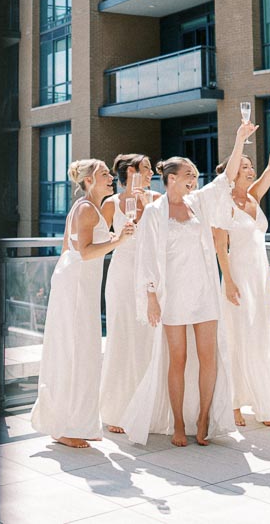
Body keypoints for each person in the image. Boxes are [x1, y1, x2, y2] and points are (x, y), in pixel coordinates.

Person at [119, 121, 257, 447]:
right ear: (171, 179)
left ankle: (204, 416)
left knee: (209, 357)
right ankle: (178, 422)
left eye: (196, 175)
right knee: (177, 360)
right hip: (174, 294)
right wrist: (151, 297)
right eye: (189, 175)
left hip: (204, 290)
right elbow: (148, 257)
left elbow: (224, 179)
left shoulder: (200, 204)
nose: (194, 179)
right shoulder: (155, 212)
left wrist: (238, 139)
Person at [30, 159, 135, 448]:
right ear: (89, 180)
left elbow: (68, 248)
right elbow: (85, 252)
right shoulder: (88, 209)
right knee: (77, 353)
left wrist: (111, 239)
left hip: (77, 285)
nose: (110, 177)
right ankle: (65, 427)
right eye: (104, 174)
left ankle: (74, 423)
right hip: (77, 287)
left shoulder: (87, 208)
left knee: (80, 351)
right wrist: (118, 241)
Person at [213, 113, 270, 428]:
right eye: (244, 166)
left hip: (260, 275)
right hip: (238, 275)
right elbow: (220, 247)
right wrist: (228, 281)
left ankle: (263, 400)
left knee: (260, 334)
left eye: (249, 165)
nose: (250, 168)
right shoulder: (223, 203)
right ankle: (232, 405)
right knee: (235, 336)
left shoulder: (254, 197)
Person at [98, 154, 158, 434]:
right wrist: (118, 237)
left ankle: (148, 408)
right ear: (131, 171)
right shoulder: (111, 204)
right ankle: (116, 411)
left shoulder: (156, 198)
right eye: (146, 168)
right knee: (122, 337)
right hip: (122, 275)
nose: (150, 173)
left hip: (149, 276)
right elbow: (100, 241)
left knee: (149, 338)